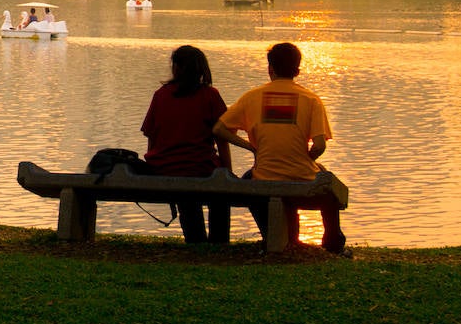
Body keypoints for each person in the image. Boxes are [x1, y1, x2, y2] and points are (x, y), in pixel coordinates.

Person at [214, 42, 347, 254]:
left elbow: (220, 129)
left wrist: (251, 148)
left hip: (264, 176)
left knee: (249, 181)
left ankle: (272, 234)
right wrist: (309, 158)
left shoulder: (252, 97)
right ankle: (332, 241)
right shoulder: (311, 99)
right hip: (301, 176)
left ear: (270, 68)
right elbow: (320, 146)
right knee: (327, 181)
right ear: (297, 69)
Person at [141, 45, 232, 244]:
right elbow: (222, 139)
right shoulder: (210, 95)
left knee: (186, 195)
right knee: (220, 193)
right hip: (199, 166)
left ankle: (195, 240)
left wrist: (155, 166)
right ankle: (219, 242)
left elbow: (151, 136)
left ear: (176, 68)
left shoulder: (161, 95)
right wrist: (228, 172)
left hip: (164, 168)